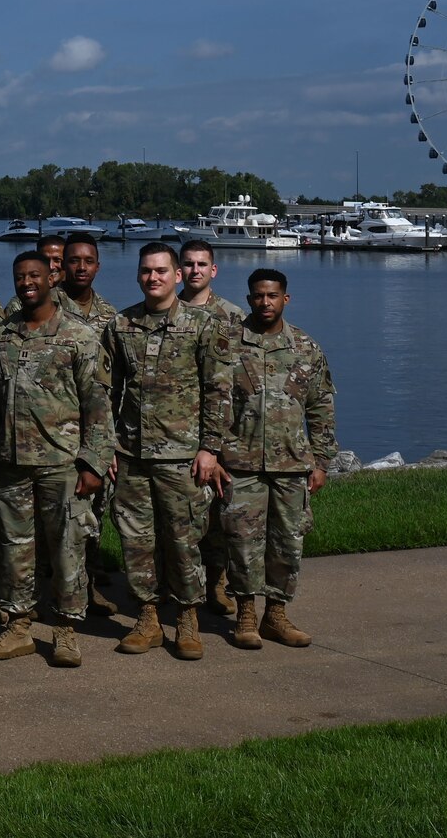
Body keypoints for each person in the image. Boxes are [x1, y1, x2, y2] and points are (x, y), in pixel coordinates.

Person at [103, 243, 235, 661]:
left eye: (161, 271)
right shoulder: (121, 324)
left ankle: (187, 618)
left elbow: (219, 390)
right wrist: (106, 444)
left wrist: (210, 448)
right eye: (146, 271)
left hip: (183, 455)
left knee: (183, 541)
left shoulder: (202, 326)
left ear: (178, 276)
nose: (153, 278)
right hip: (132, 454)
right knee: (136, 541)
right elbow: (106, 391)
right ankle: (147, 618)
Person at [0, 252, 112, 667]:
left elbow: (97, 404)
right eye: (20, 277)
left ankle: (67, 629)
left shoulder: (79, 335)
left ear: (50, 279)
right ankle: (18, 626)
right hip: (11, 463)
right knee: (14, 548)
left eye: (34, 275)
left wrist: (93, 462)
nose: (27, 283)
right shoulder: (1, 337)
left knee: (66, 549)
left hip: (62, 463)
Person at [224, 269, 337, 650]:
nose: (265, 302)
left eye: (272, 296)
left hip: (291, 463)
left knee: (288, 542)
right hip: (241, 463)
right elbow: (211, 402)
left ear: (285, 299)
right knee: (243, 542)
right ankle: (245, 614)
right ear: (248, 298)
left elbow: (321, 406)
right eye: (258, 296)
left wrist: (321, 462)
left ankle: (276, 613)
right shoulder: (228, 345)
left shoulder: (305, 347)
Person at [176, 239, 248, 615]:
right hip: (174, 429)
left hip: (221, 428)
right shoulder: (165, 311)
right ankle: (181, 585)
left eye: (202, 264)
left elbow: (237, 378)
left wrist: (218, 442)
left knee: (219, 511)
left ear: (213, 270)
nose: (195, 271)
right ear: (178, 270)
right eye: (188, 264)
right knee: (183, 516)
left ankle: (217, 582)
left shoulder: (231, 316)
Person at [54, 234, 119, 616]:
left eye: (88, 261)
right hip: (50, 433)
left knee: (90, 518)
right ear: (61, 265)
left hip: (93, 433)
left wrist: (105, 445)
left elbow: (115, 383)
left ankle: (88, 587)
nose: (81, 267)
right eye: (73, 260)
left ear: (97, 265)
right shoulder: (42, 304)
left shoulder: (111, 316)